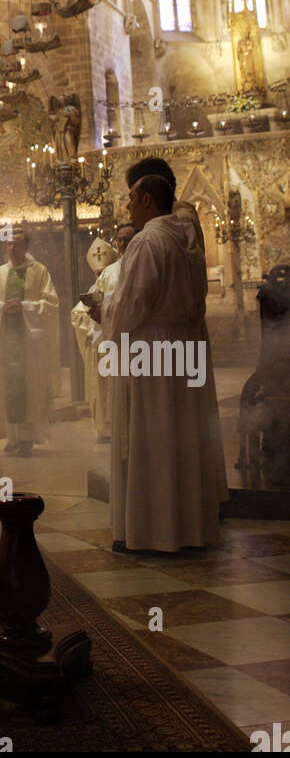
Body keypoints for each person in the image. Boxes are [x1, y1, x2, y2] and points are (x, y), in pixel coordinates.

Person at [102, 174, 227, 552]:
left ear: (146, 201)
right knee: (183, 437)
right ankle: (189, 529)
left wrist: (104, 313)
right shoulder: (188, 236)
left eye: (131, 198)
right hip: (183, 346)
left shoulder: (148, 241)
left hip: (152, 351)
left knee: (153, 437)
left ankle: (155, 532)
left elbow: (133, 304)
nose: (127, 206)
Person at [0, 227, 59, 455]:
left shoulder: (39, 271)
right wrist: (1, 307)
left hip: (28, 342)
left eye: (16, 244)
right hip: (6, 340)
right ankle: (12, 437)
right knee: (9, 387)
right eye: (8, 244)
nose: (11, 248)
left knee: (27, 387)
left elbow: (51, 303)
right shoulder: (0, 274)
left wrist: (24, 307)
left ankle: (27, 439)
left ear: (26, 247)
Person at [72, 225, 135, 441]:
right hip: (109, 343)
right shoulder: (110, 272)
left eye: (128, 240)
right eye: (120, 240)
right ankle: (113, 429)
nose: (123, 244)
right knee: (111, 392)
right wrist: (92, 311)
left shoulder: (143, 264)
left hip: (135, 342)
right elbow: (89, 301)